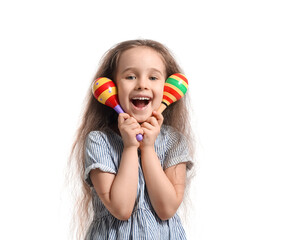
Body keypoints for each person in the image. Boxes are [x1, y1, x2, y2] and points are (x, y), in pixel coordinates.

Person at [68, 39, 194, 239]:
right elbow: (121, 208)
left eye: (153, 77)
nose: (142, 84)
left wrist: (148, 148)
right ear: (113, 86)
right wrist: (129, 147)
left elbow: (166, 209)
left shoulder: (174, 141)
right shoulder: (99, 141)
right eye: (130, 76)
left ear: (168, 86)